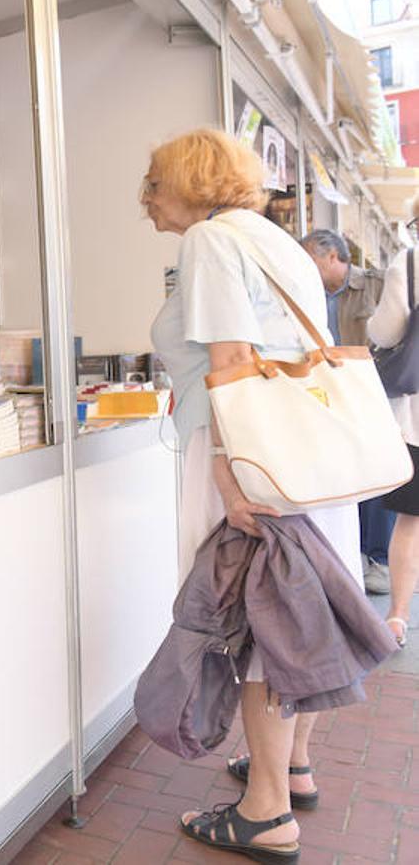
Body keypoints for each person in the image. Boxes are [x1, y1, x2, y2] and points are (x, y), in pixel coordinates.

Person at [144, 128, 364, 861]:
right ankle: (291, 768)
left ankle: (266, 812)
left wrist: (229, 476)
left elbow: (233, 359)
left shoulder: (207, 242)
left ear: (193, 183)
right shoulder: (275, 241)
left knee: (261, 622)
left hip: (251, 455)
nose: (144, 199)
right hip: (308, 455)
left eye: (153, 182)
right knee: (301, 614)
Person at [300, 228, 393, 595]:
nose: (304, 267)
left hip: (373, 395)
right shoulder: (306, 294)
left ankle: (378, 560)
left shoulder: (376, 285)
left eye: (311, 259)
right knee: (341, 477)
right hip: (325, 397)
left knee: (375, 478)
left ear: (334, 257)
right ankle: (348, 556)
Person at [366, 194, 419, 648]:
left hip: (416, 418)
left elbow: (384, 332)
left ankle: (399, 616)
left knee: (411, 521)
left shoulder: (409, 263)